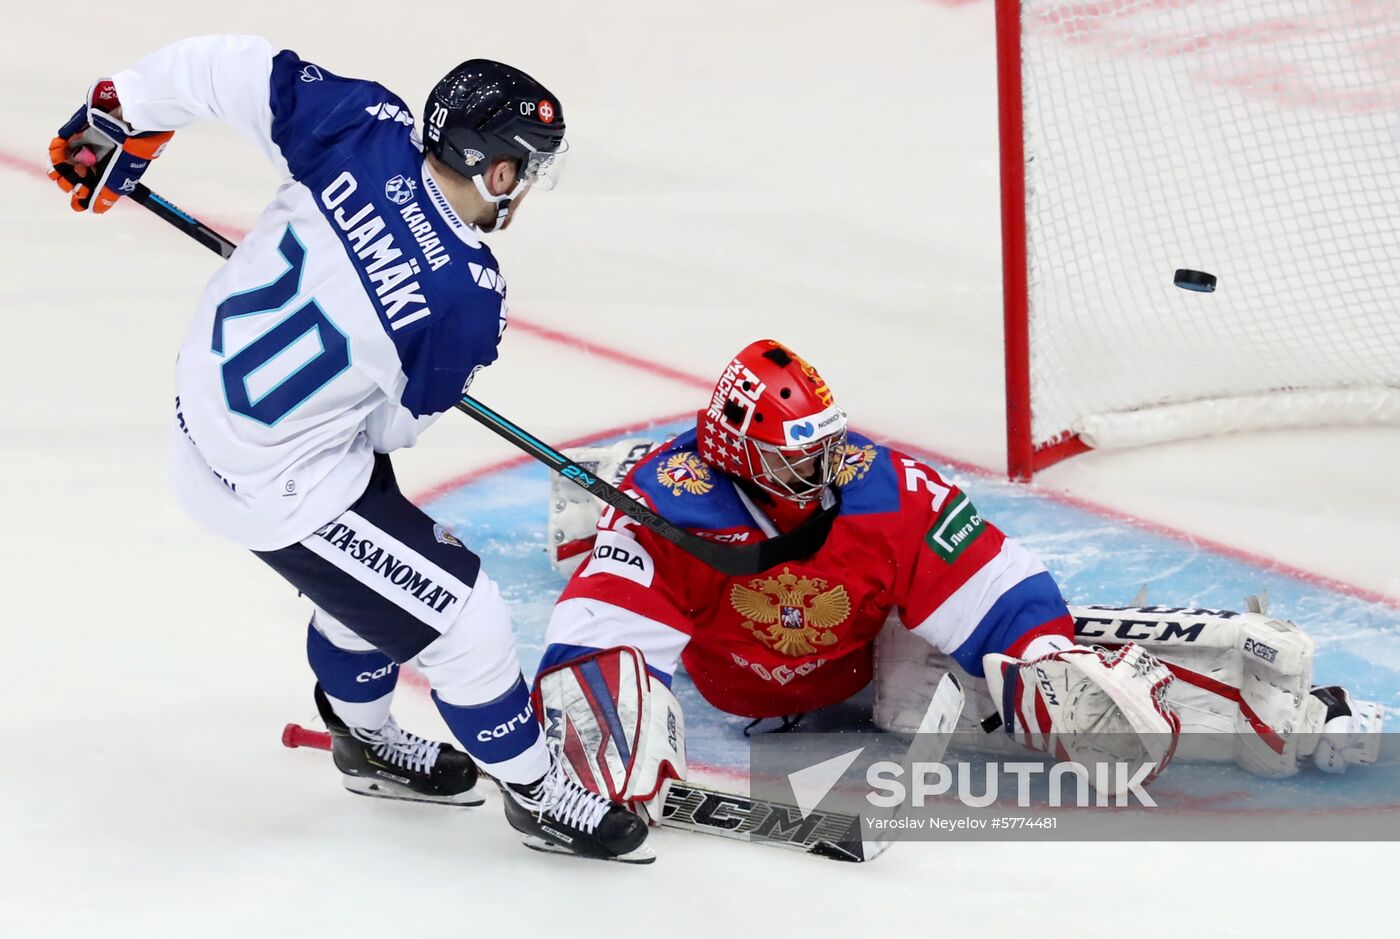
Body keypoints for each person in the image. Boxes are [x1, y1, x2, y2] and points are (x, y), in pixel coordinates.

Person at [48, 34, 649, 863]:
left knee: (372, 579)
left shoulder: (363, 125)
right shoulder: (466, 300)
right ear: (498, 173)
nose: (530, 186)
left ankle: (363, 737)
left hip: (204, 415)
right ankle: (541, 795)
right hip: (272, 483)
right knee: (467, 621)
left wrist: (119, 116)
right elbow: (390, 431)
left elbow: (231, 70)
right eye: (530, 169)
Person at [535, 339, 1382, 815]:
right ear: (738, 456)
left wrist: (1043, 665)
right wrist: (599, 713)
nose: (825, 469)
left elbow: (1002, 593)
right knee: (606, 678)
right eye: (799, 460)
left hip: (867, 663)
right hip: (741, 683)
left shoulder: (885, 491)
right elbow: (597, 635)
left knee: (1032, 685)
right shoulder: (669, 509)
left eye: (828, 446)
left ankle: (1276, 711)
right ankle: (592, 491)